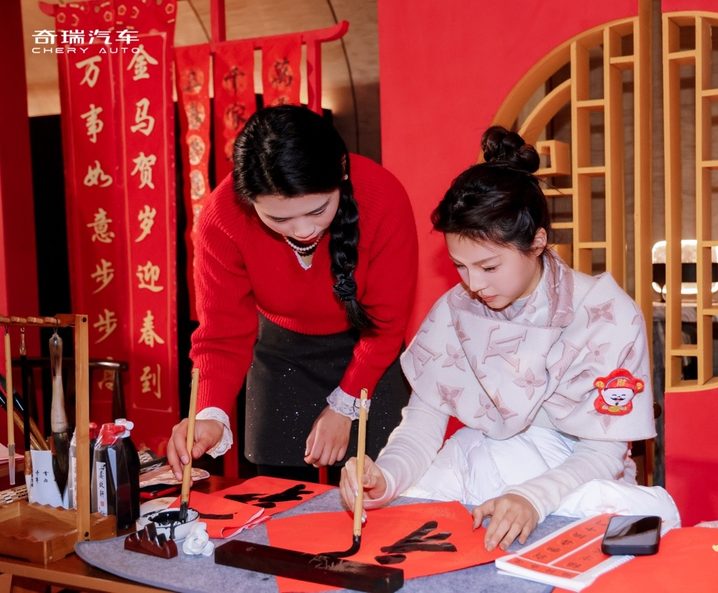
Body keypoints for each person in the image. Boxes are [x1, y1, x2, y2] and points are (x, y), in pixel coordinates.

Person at [339, 126, 679, 551]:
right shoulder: (454, 311)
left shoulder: (604, 314)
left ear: (537, 241)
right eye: (460, 266)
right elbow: (422, 428)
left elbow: (603, 454)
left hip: (571, 482)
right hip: (484, 469)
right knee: (418, 503)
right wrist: (385, 476)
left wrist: (531, 497)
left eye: (489, 267)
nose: (473, 284)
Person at [167, 105, 418, 481]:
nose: (303, 231)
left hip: (370, 350)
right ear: (248, 199)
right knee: (278, 495)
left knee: (374, 487)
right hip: (281, 352)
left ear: (342, 172)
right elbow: (221, 334)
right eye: (279, 218)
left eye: (318, 210)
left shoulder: (382, 196)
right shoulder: (222, 219)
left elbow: (386, 321)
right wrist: (209, 413)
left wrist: (346, 405)